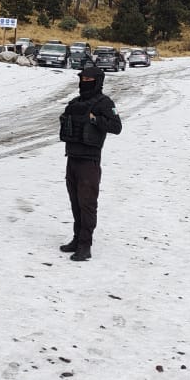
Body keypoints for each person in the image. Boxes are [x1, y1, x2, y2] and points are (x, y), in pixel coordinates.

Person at [58, 65, 122, 261]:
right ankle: (77, 239)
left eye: (88, 80)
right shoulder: (75, 102)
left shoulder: (104, 103)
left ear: (97, 82)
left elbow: (116, 127)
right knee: (75, 203)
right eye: (82, 79)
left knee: (87, 204)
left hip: (89, 162)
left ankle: (85, 246)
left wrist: (95, 120)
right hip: (72, 159)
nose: (84, 83)